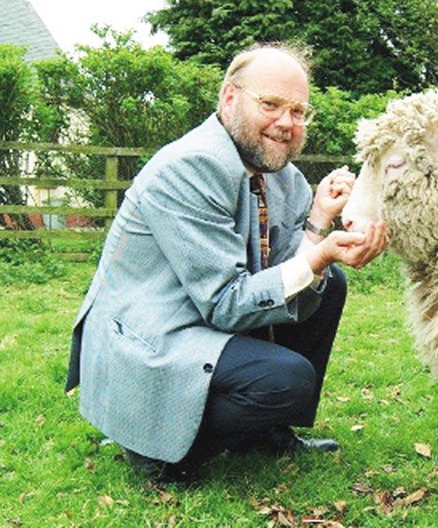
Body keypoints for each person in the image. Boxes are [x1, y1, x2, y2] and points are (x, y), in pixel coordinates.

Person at [65, 43, 388, 483]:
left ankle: (266, 430)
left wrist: (317, 223)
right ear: (229, 97)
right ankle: (156, 451)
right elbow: (226, 303)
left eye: (298, 111)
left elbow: (281, 273)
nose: (287, 123)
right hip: (151, 335)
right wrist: (319, 254)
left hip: (204, 316)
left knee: (328, 283)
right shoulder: (188, 167)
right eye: (270, 104)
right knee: (286, 379)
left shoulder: (284, 176)